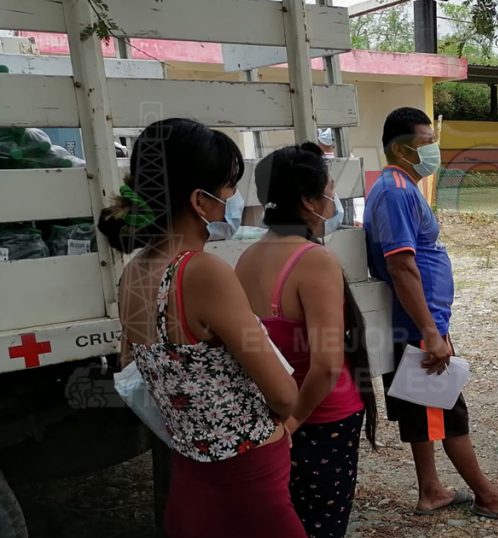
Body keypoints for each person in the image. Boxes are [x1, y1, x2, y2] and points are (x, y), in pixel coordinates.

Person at [100, 118, 304, 538]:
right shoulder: (202, 272)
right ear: (200, 200)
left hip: (190, 476)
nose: (233, 197)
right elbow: (283, 394)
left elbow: (135, 366)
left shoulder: (134, 272)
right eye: (228, 187)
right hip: (248, 480)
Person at [363, 107, 498, 523]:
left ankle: (432, 491)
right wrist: (430, 331)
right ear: (401, 147)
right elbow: (401, 265)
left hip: (418, 324)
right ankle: (487, 496)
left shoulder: (400, 187)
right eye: (426, 141)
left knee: (421, 409)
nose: (434, 149)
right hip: (415, 327)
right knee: (448, 411)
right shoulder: (396, 192)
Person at [236, 142, 379, 537]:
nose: (332, 198)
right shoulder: (313, 261)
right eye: (329, 189)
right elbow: (328, 364)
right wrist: (295, 422)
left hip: (272, 414)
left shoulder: (247, 258)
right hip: (321, 418)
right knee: (321, 524)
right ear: (307, 200)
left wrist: (281, 423)